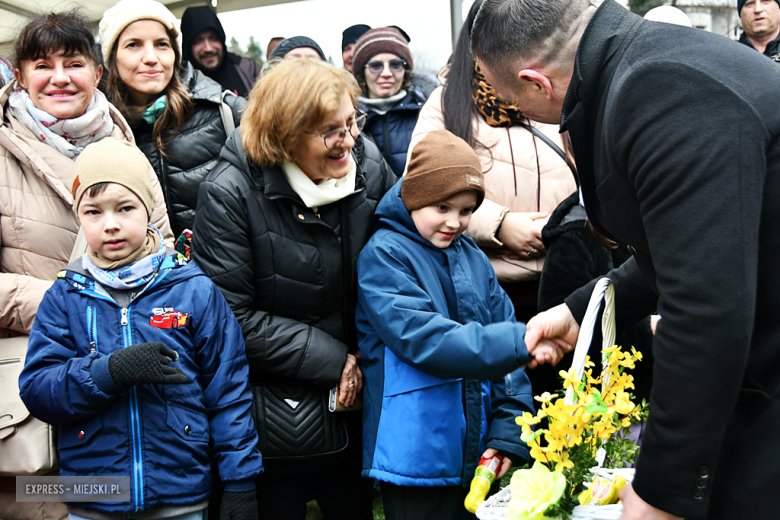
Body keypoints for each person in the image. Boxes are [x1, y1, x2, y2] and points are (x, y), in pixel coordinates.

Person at [471, 0, 780, 519]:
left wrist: (662, 490)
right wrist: (582, 309)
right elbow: (691, 247)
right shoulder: (644, 67)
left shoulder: (661, 90)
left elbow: (706, 306)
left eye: (513, 104)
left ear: (537, 83)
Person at [191, 58, 396, 520]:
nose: (348, 141)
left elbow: (400, 252)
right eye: (329, 130)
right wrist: (332, 359)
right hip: (273, 416)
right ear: (283, 134)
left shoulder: (366, 166)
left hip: (356, 403)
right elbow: (227, 317)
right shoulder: (229, 192)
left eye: (351, 122)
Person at [19, 139, 263, 520]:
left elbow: (228, 391)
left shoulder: (192, 290)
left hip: (179, 492)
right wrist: (108, 372)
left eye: (125, 208)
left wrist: (240, 481)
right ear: (78, 217)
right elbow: (38, 390)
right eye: (93, 211)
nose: (110, 224)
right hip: (94, 495)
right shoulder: (65, 297)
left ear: (148, 210)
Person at [0, 12, 174, 520]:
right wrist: (65, 305)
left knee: (127, 498)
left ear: (98, 73)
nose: (59, 77)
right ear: (20, 75)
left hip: (129, 381)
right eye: (42, 64)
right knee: (53, 505)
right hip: (38, 397)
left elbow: (162, 252)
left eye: (73, 62)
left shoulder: (125, 148)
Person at [356, 129, 558, 520]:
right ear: (414, 197)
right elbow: (426, 340)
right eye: (442, 207)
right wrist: (526, 340)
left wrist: (507, 432)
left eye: (466, 210)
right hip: (417, 456)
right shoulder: (384, 256)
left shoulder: (472, 257)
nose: (455, 222)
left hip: (478, 447)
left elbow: (506, 344)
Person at [407, 0, 575, 398]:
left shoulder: (548, 91)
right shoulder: (447, 103)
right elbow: (421, 186)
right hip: (486, 288)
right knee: (504, 410)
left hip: (563, 282)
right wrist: (500, 225)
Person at [99, 0, 245, 239]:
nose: (151, 58)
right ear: (112, 57)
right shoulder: (101, 128)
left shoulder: (224, 111)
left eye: (162, 44)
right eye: (133, 45)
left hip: (224, 269)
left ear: (175, 54)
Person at [352, 27, 426, 175]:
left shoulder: (426, 113)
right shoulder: (350, 119)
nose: (386, 73)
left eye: (395, 64)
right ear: (362, 72)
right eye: (376, 66)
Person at [181, 5, 261, 97]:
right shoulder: (178, 83)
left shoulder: (248, 69)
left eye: (214, 38)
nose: (208, 48)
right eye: (197, 41)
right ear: (187, 47)